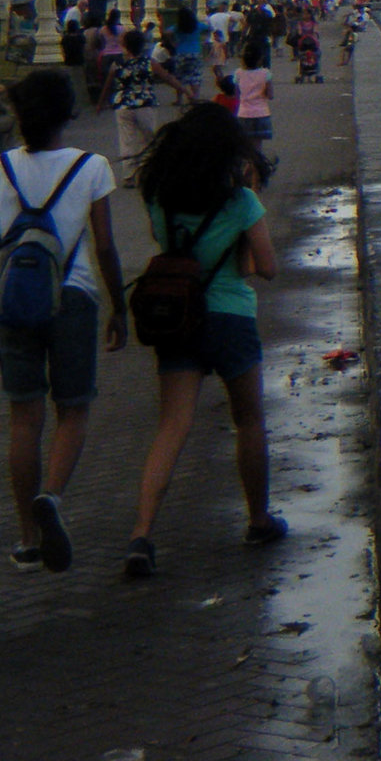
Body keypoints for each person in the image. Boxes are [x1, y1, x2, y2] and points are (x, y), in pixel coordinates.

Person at [0, 72, 124, 574]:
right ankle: (53, 496)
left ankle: (27, 538)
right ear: (66, 114)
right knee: (74, 409)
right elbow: (103, 244)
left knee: (23, 418)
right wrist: (119, 306)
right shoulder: (92, 167)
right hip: (74, 298)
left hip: (13, 303)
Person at [125, 105, 283, 576]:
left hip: (177, 317)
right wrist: (242, 231)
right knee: (249, 419)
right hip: (230, 315)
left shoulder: (160, 195)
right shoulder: (241, 202)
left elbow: (171, 247)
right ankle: (257, 519)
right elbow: (267, 267)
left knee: (172, 426)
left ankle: (141, 533)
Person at [96, 30, 187, 181]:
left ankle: (129, 174)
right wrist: (185, 91)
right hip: (145, 104)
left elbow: (107, 86)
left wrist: (100, 104)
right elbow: (167, 78)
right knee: (148, 138)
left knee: (127, 140)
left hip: (123, 105)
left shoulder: (117, 64)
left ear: (125, 45)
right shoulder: (149, 62)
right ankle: (146, 170)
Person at [234, 40, 275, 149]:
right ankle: (256, 165)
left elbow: (236, 95)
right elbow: (270, 95)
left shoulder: (238, 73)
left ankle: (248, 165)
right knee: (257, 149)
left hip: (244, 114)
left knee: (246, 149)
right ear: (260, 59)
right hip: (261, 114)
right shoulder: (266, 73)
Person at [167, 8, 206, 105]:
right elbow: (209, 28)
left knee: (180, 77)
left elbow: (167, 32)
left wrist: (172, 42)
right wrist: (203, 40)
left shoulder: (178, 27)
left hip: (181, 52)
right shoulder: (197, 25)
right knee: (195, 77)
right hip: (195, 52)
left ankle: (179, 99)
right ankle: (195, 98)